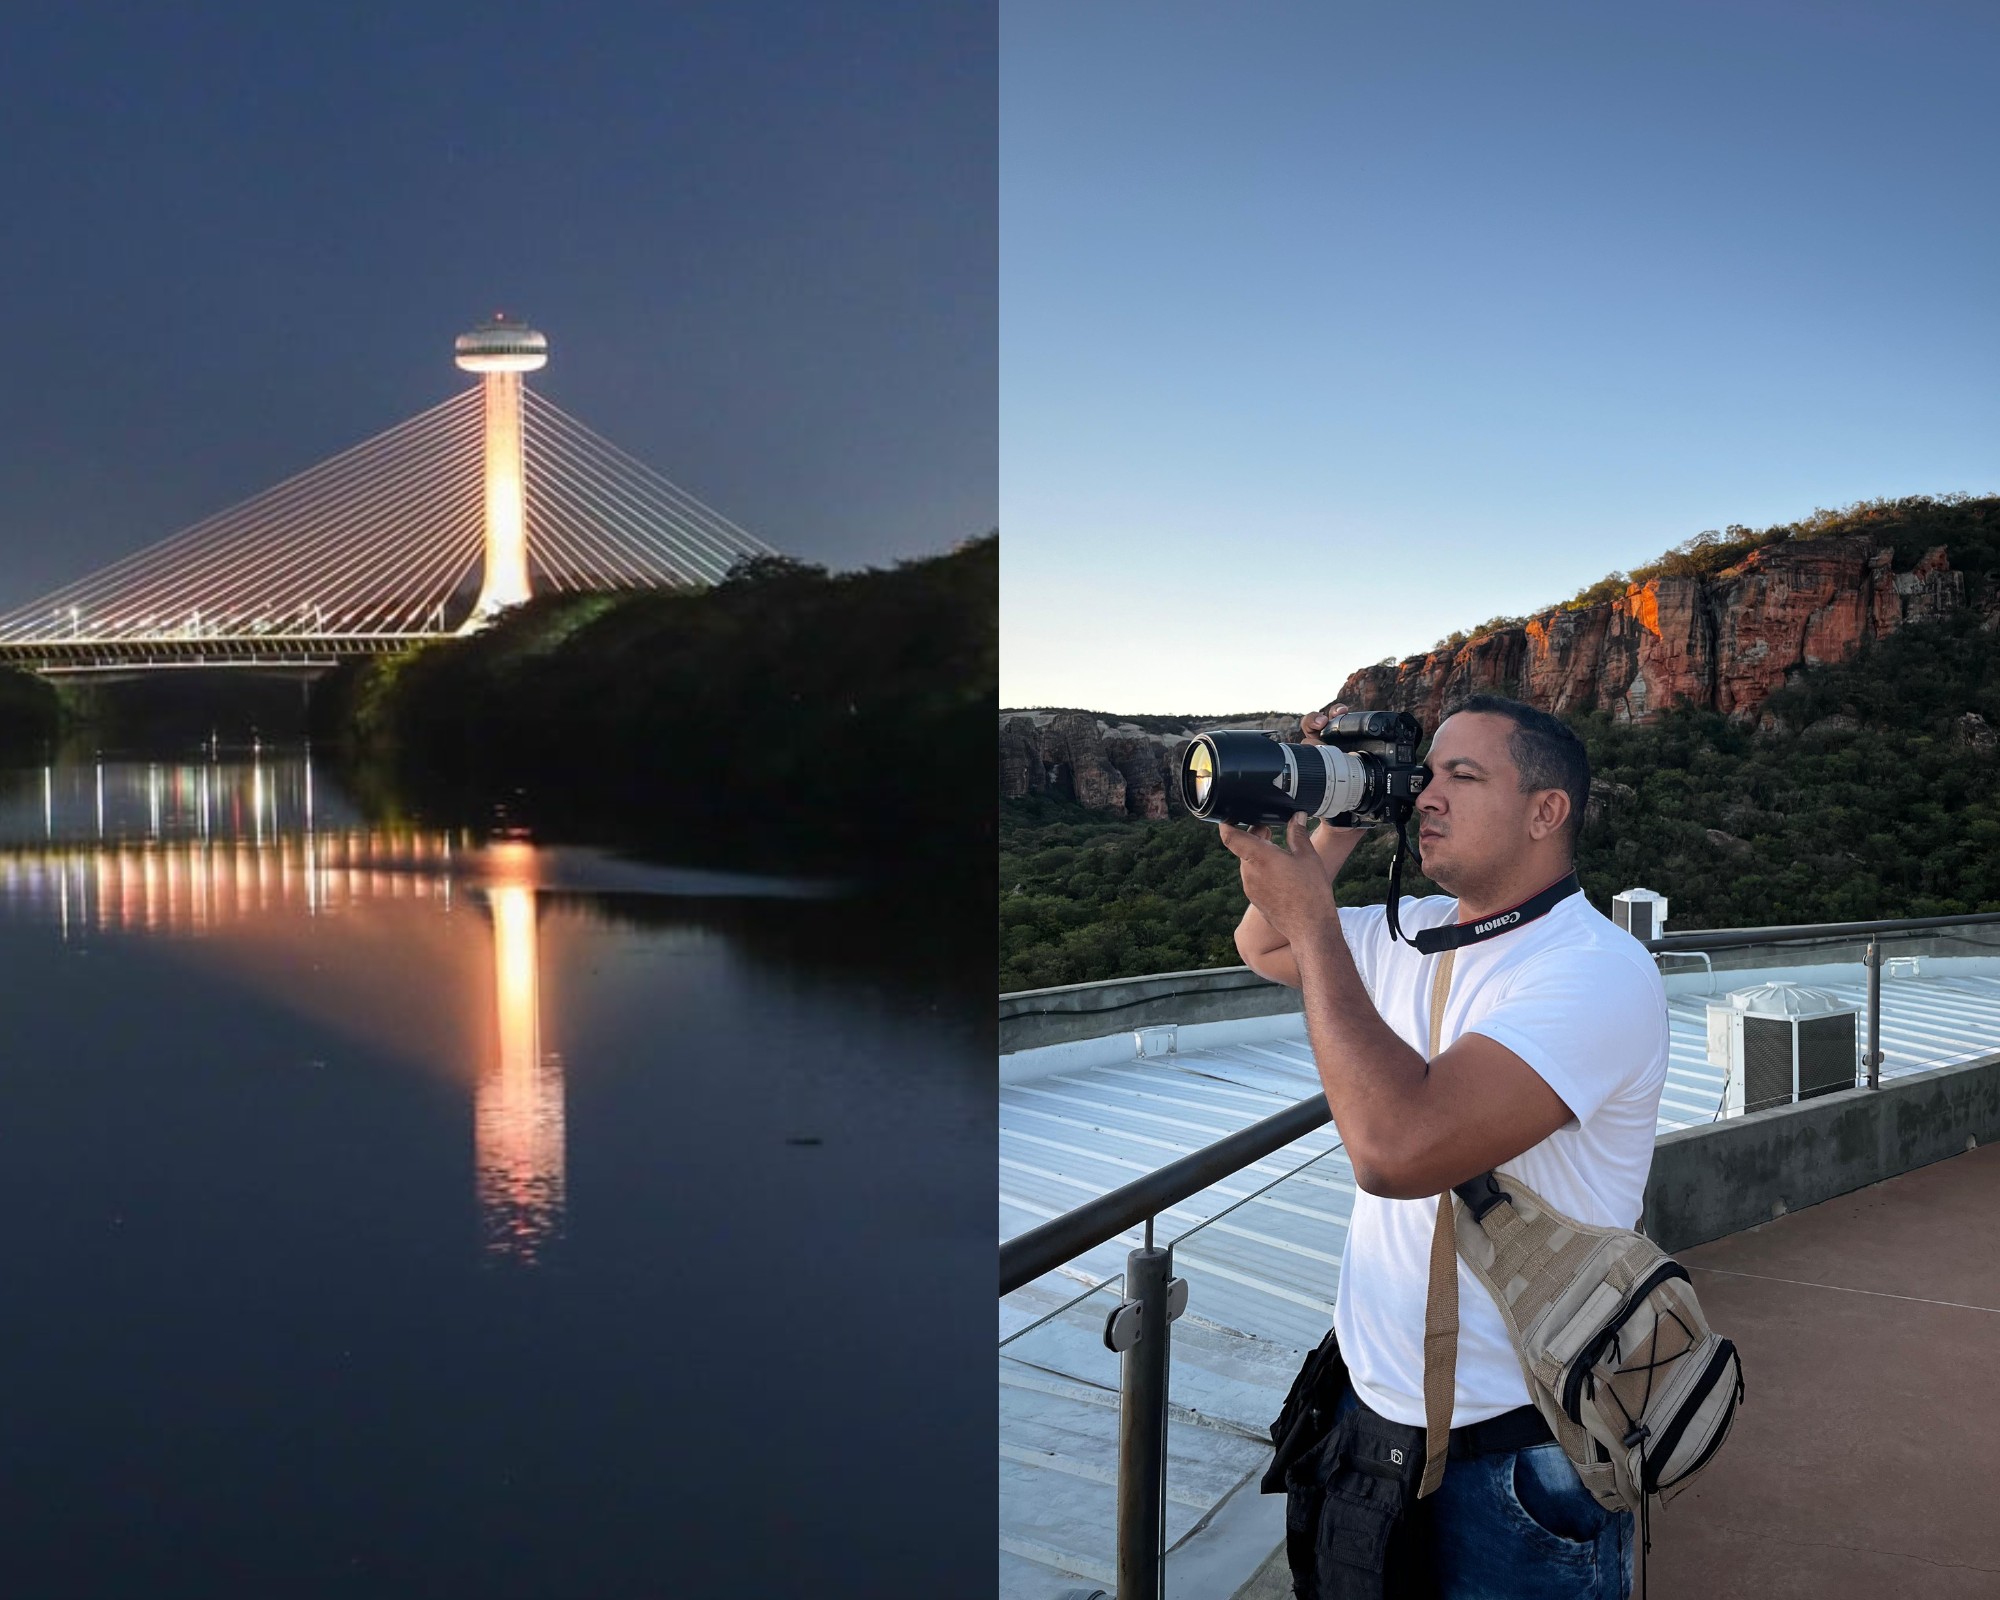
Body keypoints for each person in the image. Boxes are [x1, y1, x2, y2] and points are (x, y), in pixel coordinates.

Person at [1222, 694, 1669, 1599]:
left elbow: (1396, 1151)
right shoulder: (1412, 929)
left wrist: (1315, 919)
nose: (1429, 794)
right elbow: (1261, 942)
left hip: (1516, 1457)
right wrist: (1343, 810)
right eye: (1427, 774)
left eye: (1464, 777)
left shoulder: (1595, 972)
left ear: (1547, 812)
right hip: (1369, 1428)